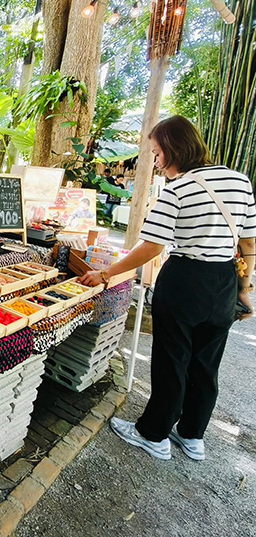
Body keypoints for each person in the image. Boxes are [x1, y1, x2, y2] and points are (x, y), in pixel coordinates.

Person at [79, 115, 256, 461]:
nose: (157, 162)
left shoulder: (179, 189)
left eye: (158, 153)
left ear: (174, 149)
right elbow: (249, 243)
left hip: (185, 280)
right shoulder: (239, 181)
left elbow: (151, 247)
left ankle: (153, 434)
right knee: (206, 363)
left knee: (171, 360)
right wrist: (244, 288)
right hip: (224, 280)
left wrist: (106, 274)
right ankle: (192, 435)